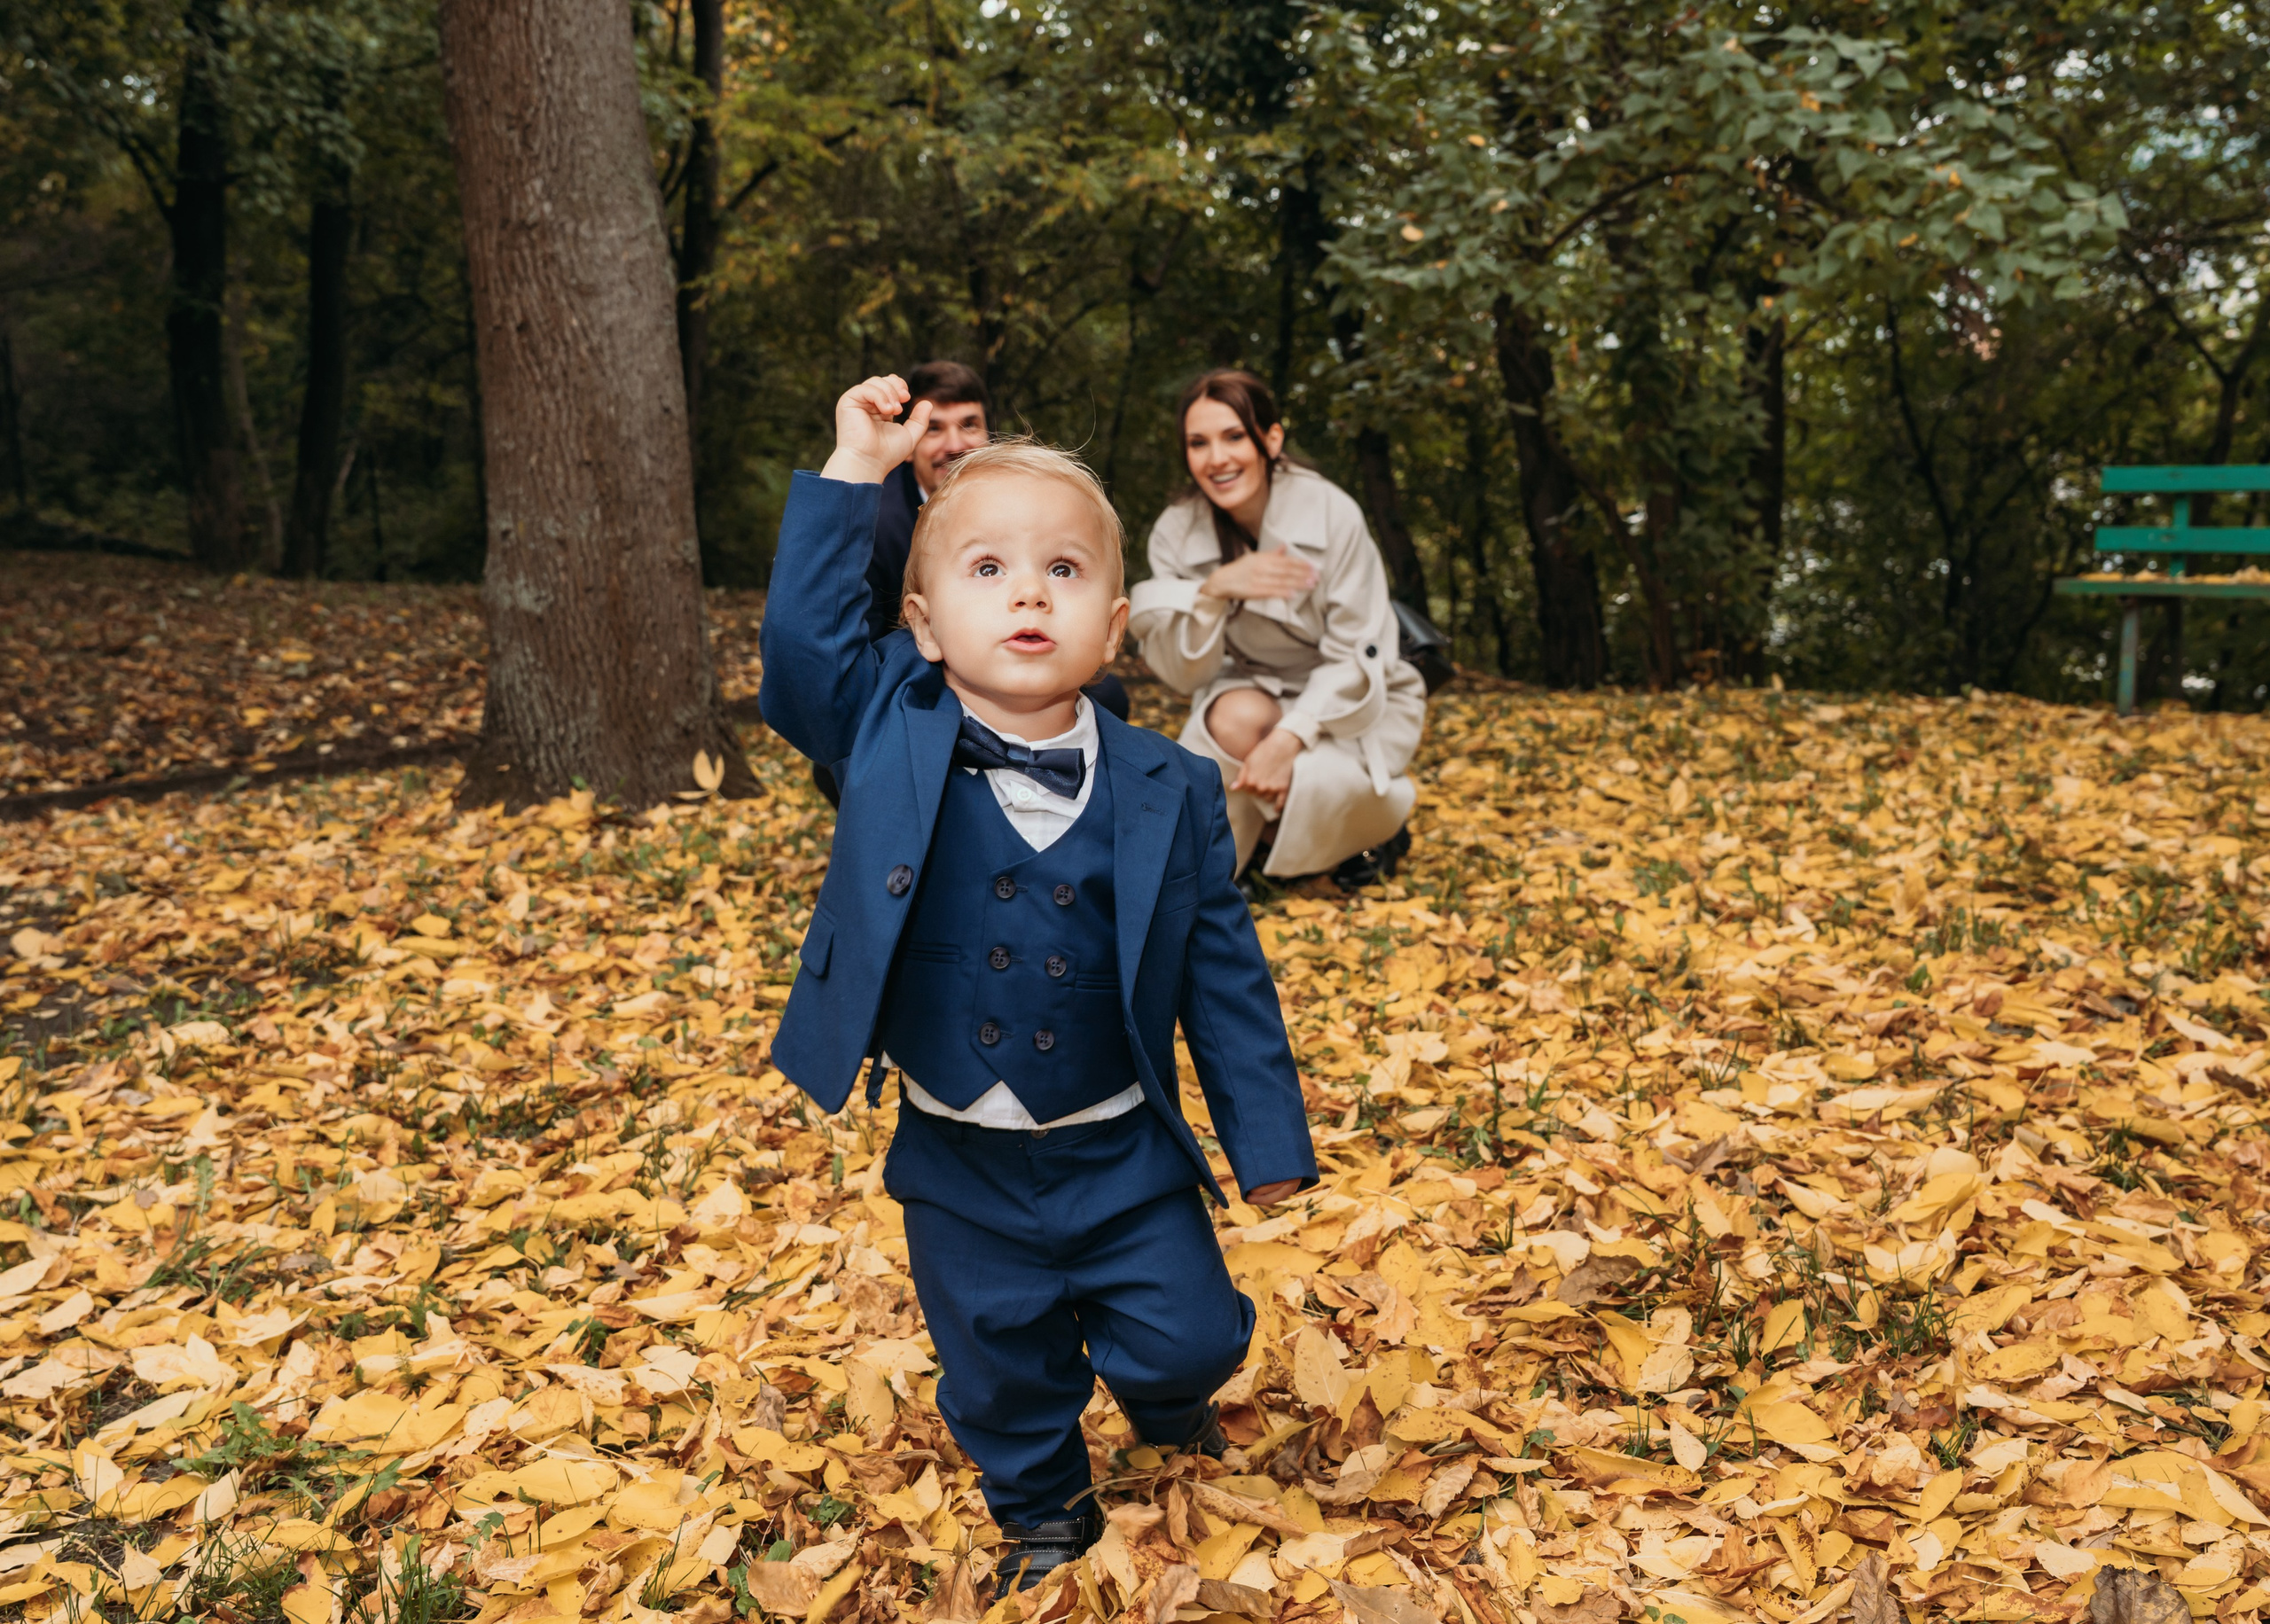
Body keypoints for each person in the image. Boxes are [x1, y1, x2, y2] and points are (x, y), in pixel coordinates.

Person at [758, 376, 1317, 1597]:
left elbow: (1224, 980)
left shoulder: (1167, 788)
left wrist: (1265, 1137)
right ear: (920, 620)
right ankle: (1045, 1507)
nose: (1026, 592)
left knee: (1194, 1331)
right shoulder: (884, 730)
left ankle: (1169, 1396)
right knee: (997, 1362)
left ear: (1114, 628)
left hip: (1121, 1148)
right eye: (988, 571)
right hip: (959, 1157)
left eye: (1063, 572)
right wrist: (856, 471)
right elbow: (802, 655)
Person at [1129, 370, 1425, 888]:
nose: (1217, 458)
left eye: (1234, 436)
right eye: (1199, 443)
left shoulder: (1334, 513)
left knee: (1320, 777)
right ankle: (1245, 857)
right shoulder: (1176, 532)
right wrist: (1213, 591)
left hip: (1352, 698)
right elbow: (1185, 674)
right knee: (1230, 719)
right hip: (1256, 687)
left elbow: (1359, 652)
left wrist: (1287, 740)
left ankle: (1365, 835)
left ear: (1271, 439)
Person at [810, 363, 1129, 807]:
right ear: (909, 443)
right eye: (934, 428)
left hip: (1025, 666)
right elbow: (839, 648)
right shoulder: (878, 522)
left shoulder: (1033, 501)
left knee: (1107, 693)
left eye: (969, 424)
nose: (954, 444)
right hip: (915, 683)